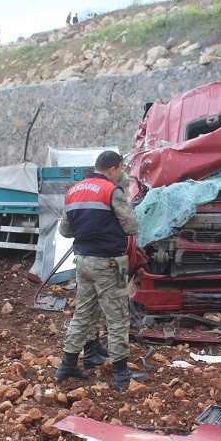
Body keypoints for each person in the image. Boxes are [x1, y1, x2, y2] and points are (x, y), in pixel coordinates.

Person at [55, 151, 148, 389]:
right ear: (113, 169)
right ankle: (120, 374)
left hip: (83, 261)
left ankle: (67, 366)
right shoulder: (112, 191)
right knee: (117, 318)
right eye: (121, 169)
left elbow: (65, 231)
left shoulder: (73, 191)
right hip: (108, 263)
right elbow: (131, 226)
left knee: (84, 313)